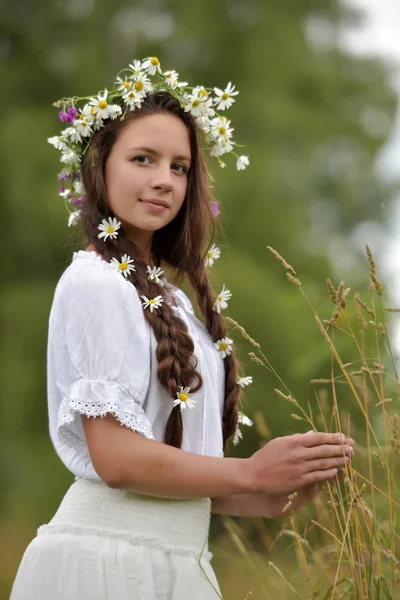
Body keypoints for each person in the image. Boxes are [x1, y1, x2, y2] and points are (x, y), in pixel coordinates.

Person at [10, 56, 355, 600]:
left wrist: (278, 487)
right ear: (99, 166)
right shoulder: (98, 284)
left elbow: (190, 485)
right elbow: (118, 461)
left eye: (179, 167)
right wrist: (249, 474)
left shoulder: (169, 300)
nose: (163, 181)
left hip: (176, 565)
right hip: (108, 564)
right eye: (143, 159)